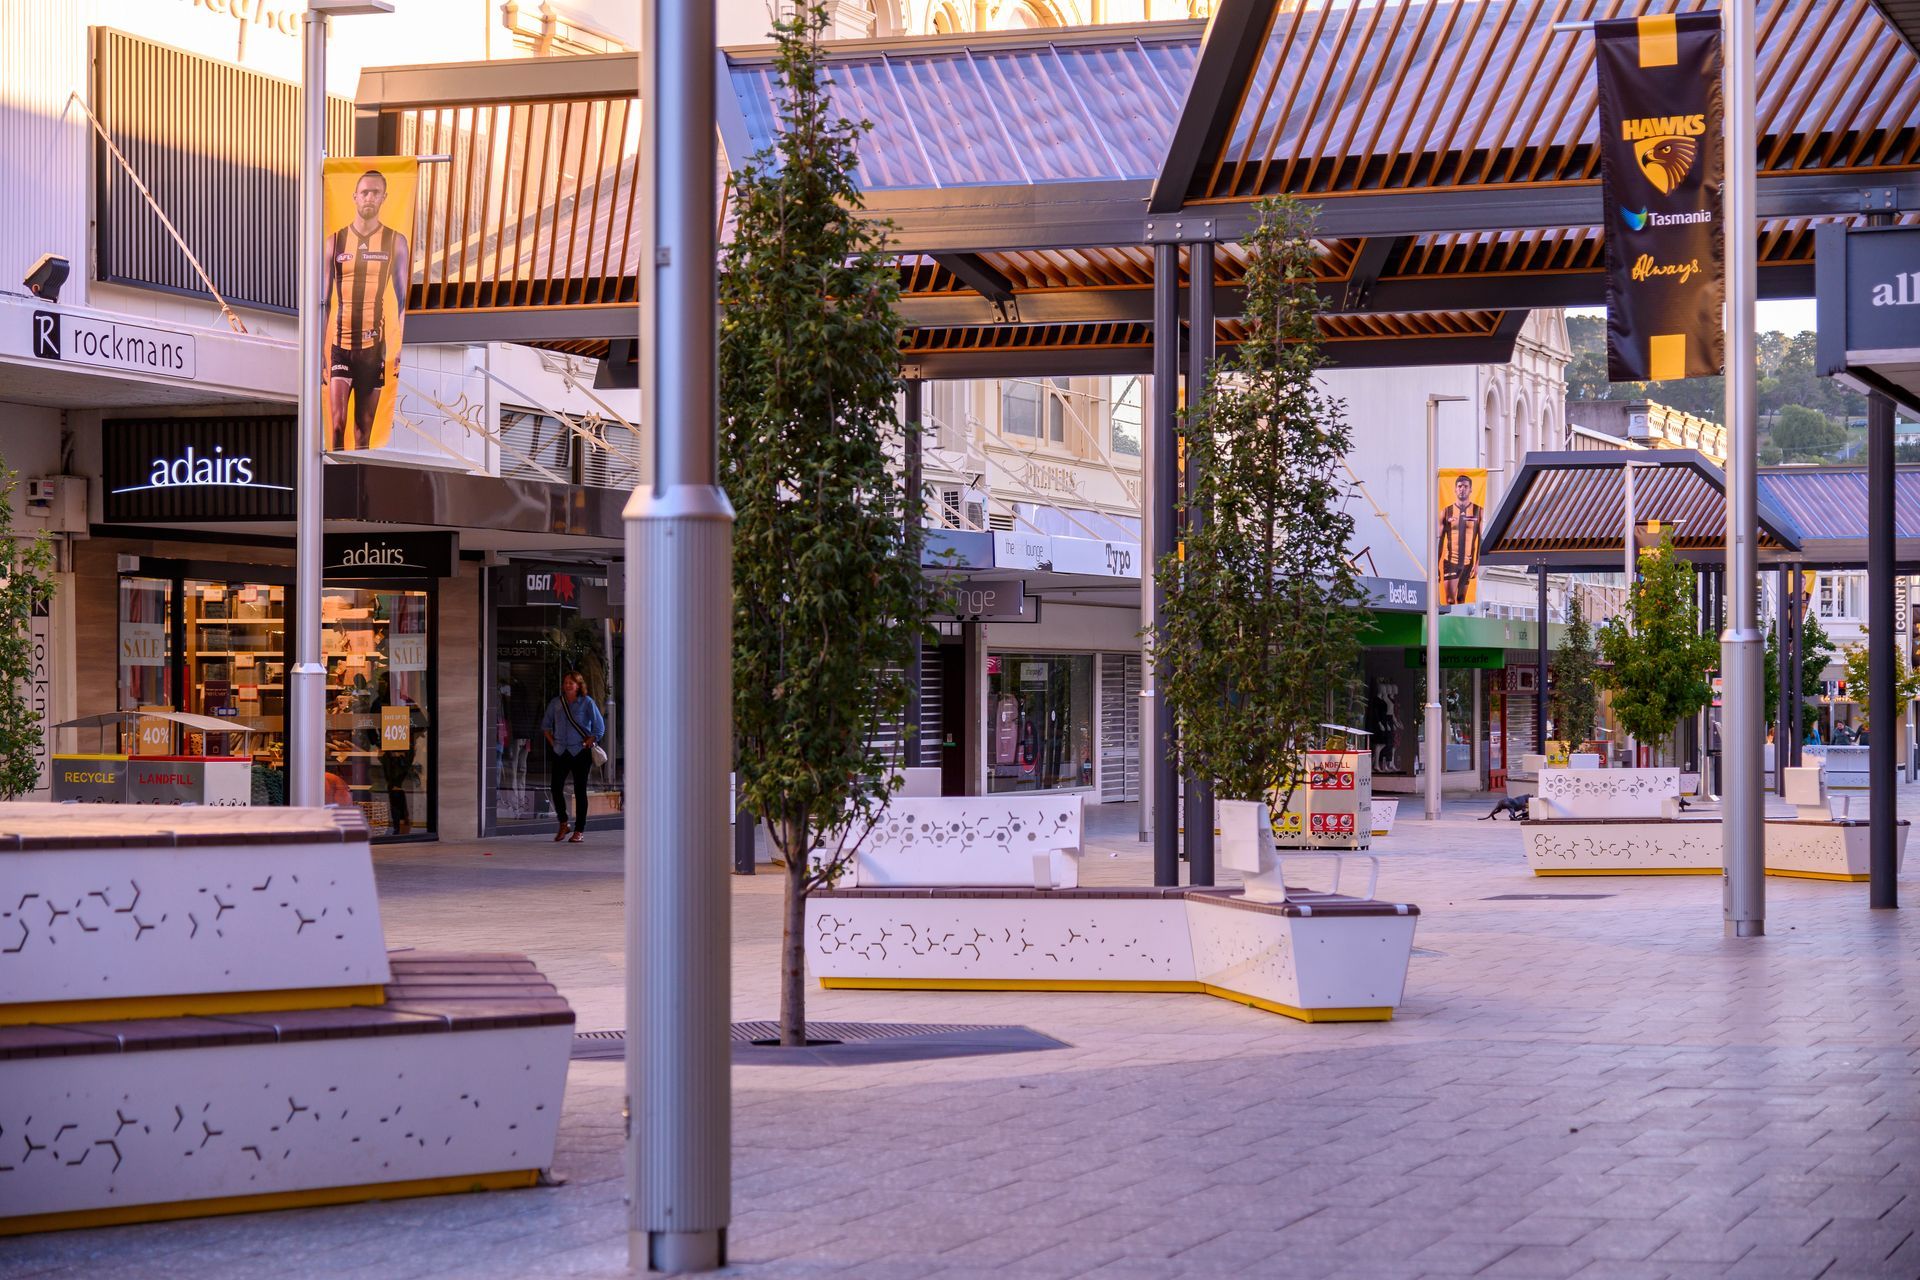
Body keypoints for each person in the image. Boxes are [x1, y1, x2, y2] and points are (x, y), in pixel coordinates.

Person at [324, 169, 410, 452]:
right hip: (341, 345)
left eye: (375, 192)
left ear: (384, 197)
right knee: (336, 424)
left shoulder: (395, 241)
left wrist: (399, 348)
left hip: (374, 349)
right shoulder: (334, 242)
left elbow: (402, 299)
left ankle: (355, 487)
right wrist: (317, 352)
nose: (369, 197)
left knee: (363, 430)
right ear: (354, 197)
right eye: (365, 192)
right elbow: (322, 301)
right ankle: (328, 481)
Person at [541, 671, 605, 842]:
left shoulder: (586, 702)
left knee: (580, 790)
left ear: (578, 685)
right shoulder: (556, 703)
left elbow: (599, 727)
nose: (567, 685)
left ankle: (579, 830)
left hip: (580, 752)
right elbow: (545, 726)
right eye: (566, 682)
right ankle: (563, 822)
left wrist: (590, 742)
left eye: (571, 682)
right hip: (561, 751)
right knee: (555, 787)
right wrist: (553, 743)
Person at [1436, 473, 1483, 606]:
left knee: (1462, 599)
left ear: (1471, 489)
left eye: (1465, 486)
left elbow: (1481, 538)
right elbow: (1439, 540)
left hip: (1468, 563)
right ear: (1455, 489)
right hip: (1451, 561)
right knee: (1450, 600)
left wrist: (1478, 562)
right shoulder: (1446, 511)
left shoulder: (1478, 511)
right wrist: (1436, 564)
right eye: (1460, 486)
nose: (1462, 489)